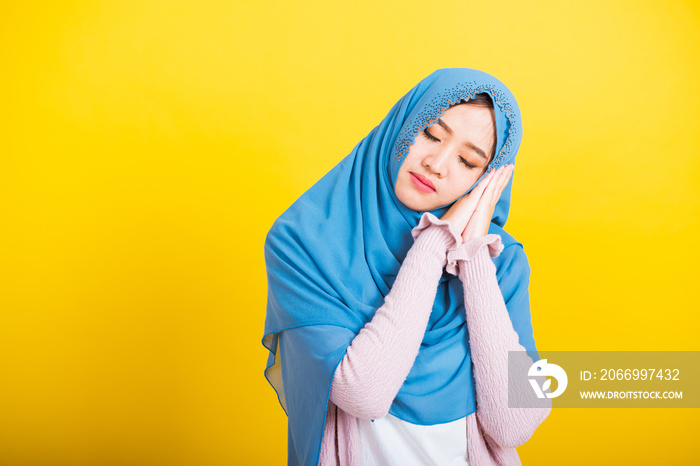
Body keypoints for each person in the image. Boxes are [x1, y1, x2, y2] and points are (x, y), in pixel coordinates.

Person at [262, 68, 552, 466]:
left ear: (486, 180)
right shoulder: (304, 243)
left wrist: (473, 261)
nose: (437, 163)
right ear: (403, 125)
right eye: (431, 134)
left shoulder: (500, 263)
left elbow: (514, 424)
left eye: (468, 161)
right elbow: (365, 392)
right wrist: (435, 241)